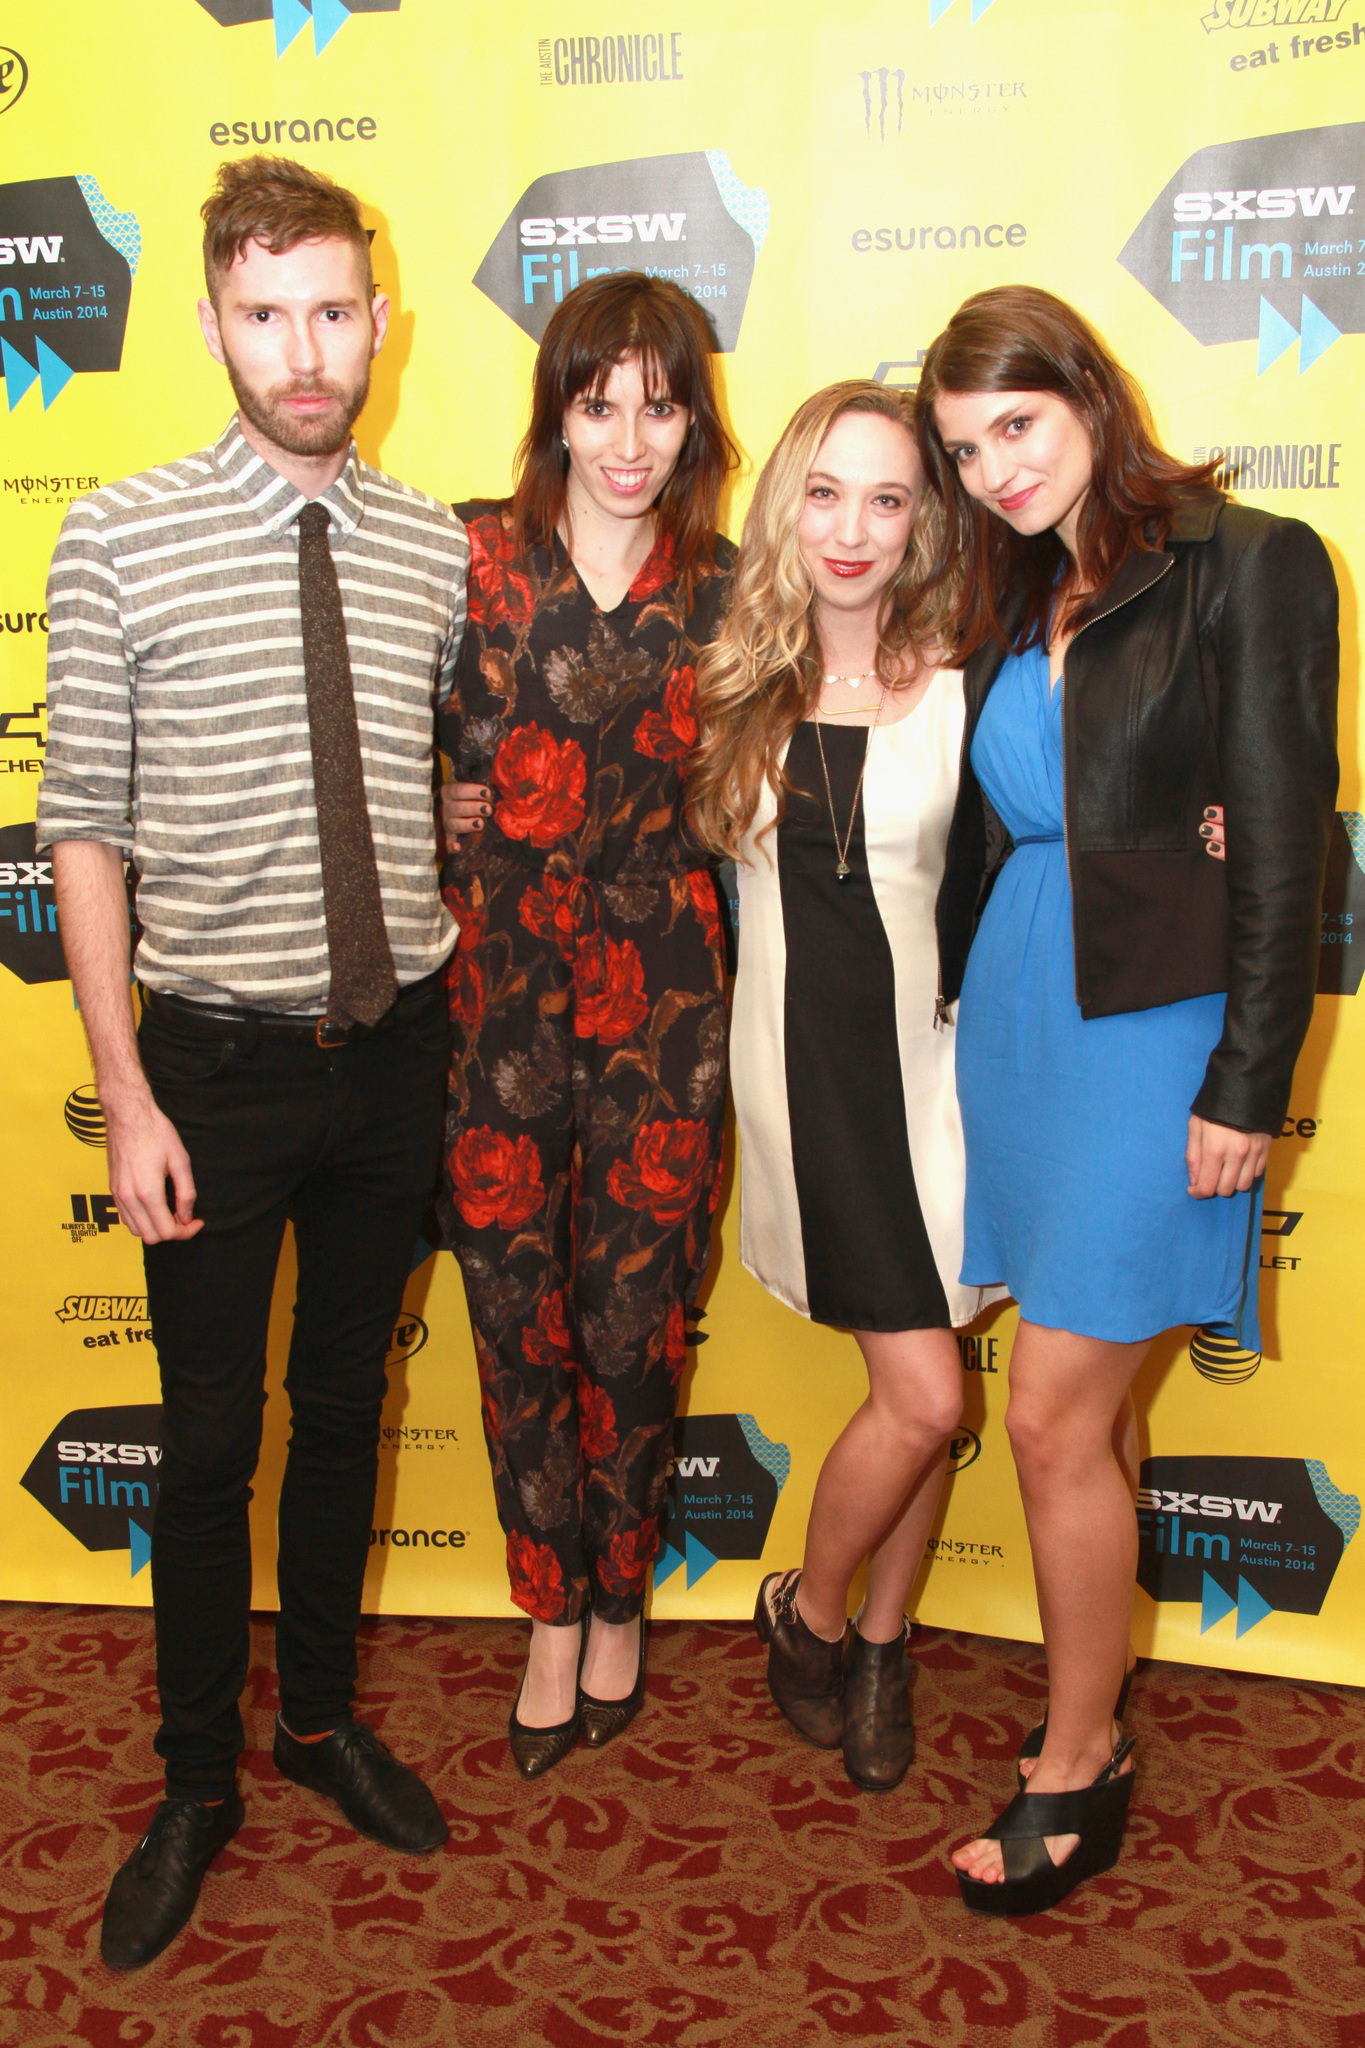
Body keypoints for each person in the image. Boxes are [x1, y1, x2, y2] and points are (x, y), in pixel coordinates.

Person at [38, 156, 469, 1971]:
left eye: (333, 310)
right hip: (205, 1072)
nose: (305, 351)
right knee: (207, 1440)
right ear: (212, 318)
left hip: (397, 1056)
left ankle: (315, 1722)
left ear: (379, 318)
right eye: (263, 312)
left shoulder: (435, 543)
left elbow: (426, 781)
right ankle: (196, 1777)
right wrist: (126, 1097)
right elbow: (82, 842)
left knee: (345, 1416)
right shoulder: (115, 534)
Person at [918, 286, 1338, 1914]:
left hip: (1157, 1029)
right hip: (1024, 1014)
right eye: (962, 450)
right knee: (1058, 1414)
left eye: (1014, 427)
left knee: (1046, 1412)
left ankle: (1076, 1759)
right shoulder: (1004, 596)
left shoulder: (1247, 562)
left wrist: (1251, 1074)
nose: (993, 470)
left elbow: (1284, 840)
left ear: (1087, 396)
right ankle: (1081, 1724)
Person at [436, 272, 737, 1777]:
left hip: (667, 999)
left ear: (695, 417)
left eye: (660, 403)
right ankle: (546, 1609)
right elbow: (382, 747)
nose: (629, 439)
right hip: (492, 997)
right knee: (511, 1313)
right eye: (598, 401)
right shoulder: (467, 561)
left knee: (631, 1316)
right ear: (558, 408)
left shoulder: (738, 587)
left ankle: (618, 1598)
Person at [683, 381, 1000, 1791]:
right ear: (785, 507)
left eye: (886, 496)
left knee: (933, 1377)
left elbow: (1054, 831)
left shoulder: (967, 680)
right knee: (928, 1394)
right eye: (825, 493)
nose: (854, 528)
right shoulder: (729, 680)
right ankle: (812, 1616)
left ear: (922, 513)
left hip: (943, 1075)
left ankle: (863, 1633)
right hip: (805, 1081)